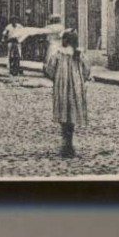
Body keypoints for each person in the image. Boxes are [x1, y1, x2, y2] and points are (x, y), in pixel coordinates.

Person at [45, 29, 91, 158]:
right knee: (73, 113)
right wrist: (81, 79)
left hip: (62, 86)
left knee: (64, 112)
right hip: (76, 86)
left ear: (65, 40)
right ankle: (69, 142)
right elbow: (87, 70)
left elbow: (50, 69)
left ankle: (66, 143)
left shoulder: (58, 54)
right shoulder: (79, 54)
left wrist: (54, 77)